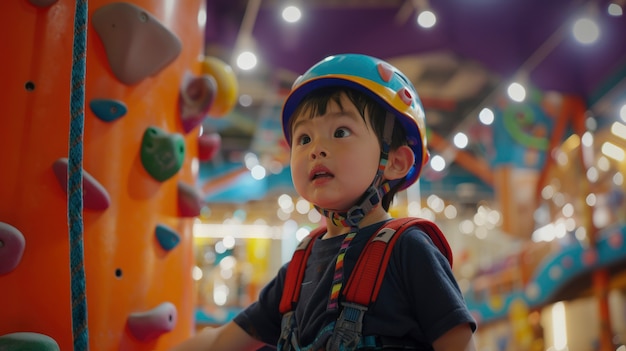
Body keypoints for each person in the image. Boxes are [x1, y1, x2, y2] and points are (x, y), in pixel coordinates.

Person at [171, 53, 477, 351]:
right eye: (304, 138)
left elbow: (459, 344)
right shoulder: (299, 267)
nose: (316, 149)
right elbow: (221, 342)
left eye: (340, 132)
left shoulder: (409, 249)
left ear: (396, 161)